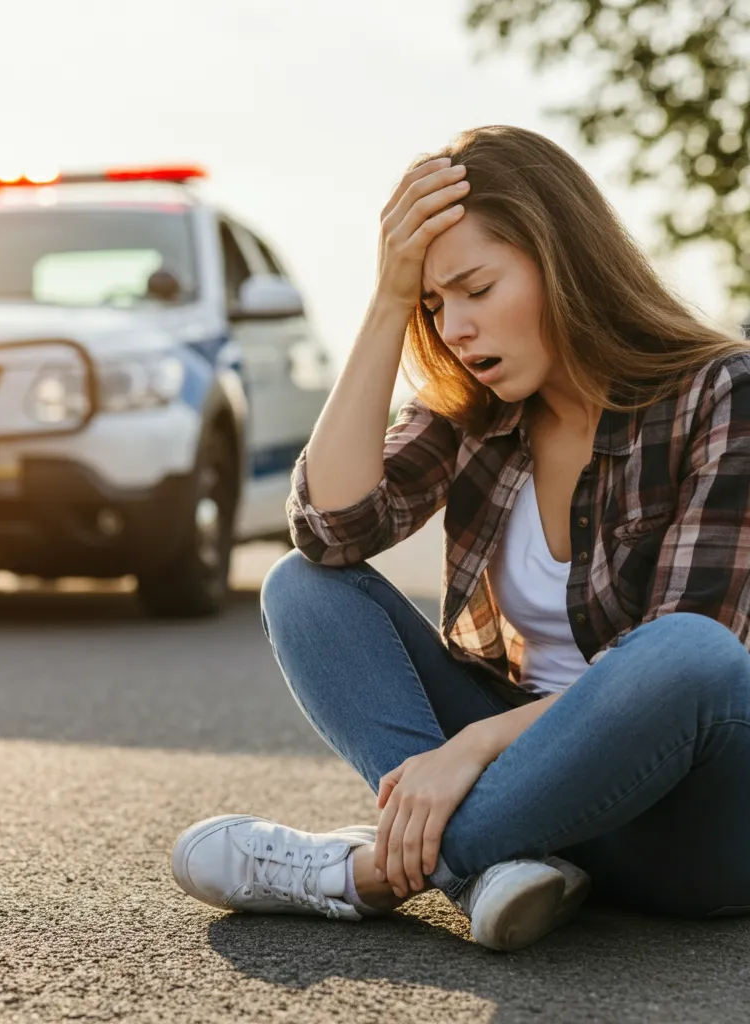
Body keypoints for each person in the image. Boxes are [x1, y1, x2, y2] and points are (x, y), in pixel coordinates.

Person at [170, 125, 750, 951]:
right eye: (434, 306)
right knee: (303, 586)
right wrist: (384, 301)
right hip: (530, 797)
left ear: (563, 259)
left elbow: (701, 652)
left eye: (476, 288)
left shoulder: (721, 391)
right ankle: (492, 868)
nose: (455, 330)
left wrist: (473, 748)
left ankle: (362, 873)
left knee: (688, 653)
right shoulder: (476, 411)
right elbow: (330, 532)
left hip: (688, 820)